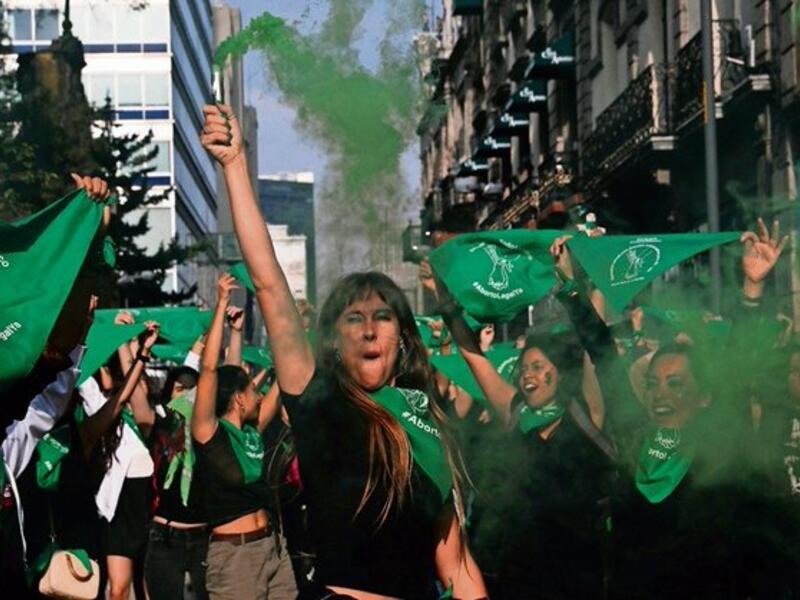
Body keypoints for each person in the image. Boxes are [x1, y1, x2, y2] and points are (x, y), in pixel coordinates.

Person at [201, 104, 487, 599]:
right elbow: (269, 286)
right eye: (354, 319)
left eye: (383, 317)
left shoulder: (429, 426)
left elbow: (457, 567)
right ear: (335, 341)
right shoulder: (321, 404)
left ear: (403, 337)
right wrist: (235, 166)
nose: (370, 330)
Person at [552, 220, 798, 598]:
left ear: (704, 396)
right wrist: (570, 289)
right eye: (653, 384)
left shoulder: (718, 443)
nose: (660, 394)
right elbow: (602, 353)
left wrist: (753, 287)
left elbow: (738, 359)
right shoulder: (635, 441)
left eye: (676, 383)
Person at [438, 285, 614, 599]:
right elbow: (476, 360)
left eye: (537, 367)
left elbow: (596, 353)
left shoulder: (585, 415)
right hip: (518, 577)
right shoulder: (516, 411)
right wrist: (450, 310)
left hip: (576, 578)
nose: (526, 375)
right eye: (523, 369)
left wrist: (580, 290)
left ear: (559, 374)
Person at [191, 274, 297, 600]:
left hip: (273, 548)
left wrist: (241, 332)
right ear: (238, 399)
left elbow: (263, 379)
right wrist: (221, 305)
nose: (259, 395)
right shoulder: (209, 434)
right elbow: (212, 372)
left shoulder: (251, 433)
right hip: (235, 559)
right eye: (253, 390)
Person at [79, 321, 160, 600]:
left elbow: (132, 389)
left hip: (144, 506)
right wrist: (119, 339)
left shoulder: (146, 420)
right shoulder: (97, 409)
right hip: (118, 508)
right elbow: (80, 375)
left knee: (144, 587)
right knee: (119, 588)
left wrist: (130, 344)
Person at [144, 358, 208, 600]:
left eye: (193, 389)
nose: (187, 395)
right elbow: (135, 397)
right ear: (169, 392)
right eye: (180, 388)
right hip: (165, 537)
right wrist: (139, 354)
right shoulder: (158, 425)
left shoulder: (209, 431)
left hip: (204, 538)